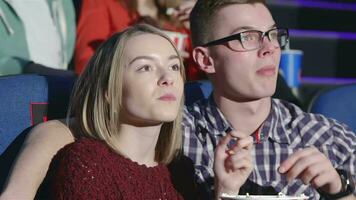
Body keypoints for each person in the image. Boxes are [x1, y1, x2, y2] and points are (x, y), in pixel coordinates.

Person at [0, 23, 250, 199]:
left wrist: (225, 191)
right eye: (145, 68)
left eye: (174, 67)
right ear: (109, 90)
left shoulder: (180, 171)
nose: (168, 78)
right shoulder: (87, 162)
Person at [184, 0, 356, 199]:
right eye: (247, 37)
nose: (269, 48)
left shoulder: (329, 139)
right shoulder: (178, 141)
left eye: (272, 34)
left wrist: (340, 191)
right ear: (206, 60)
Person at [74, 0, 205, 80]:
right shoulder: (105, 3)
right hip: (128, 100)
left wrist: (200, 25)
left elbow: (206, 68)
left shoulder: (179, 9)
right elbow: (86, 63)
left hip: (183, 96)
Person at [0, 0, 76, 75]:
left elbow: (66, 55)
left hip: (56, 84)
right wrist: (28, 70)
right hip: (16, 84)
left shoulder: (62, 3)